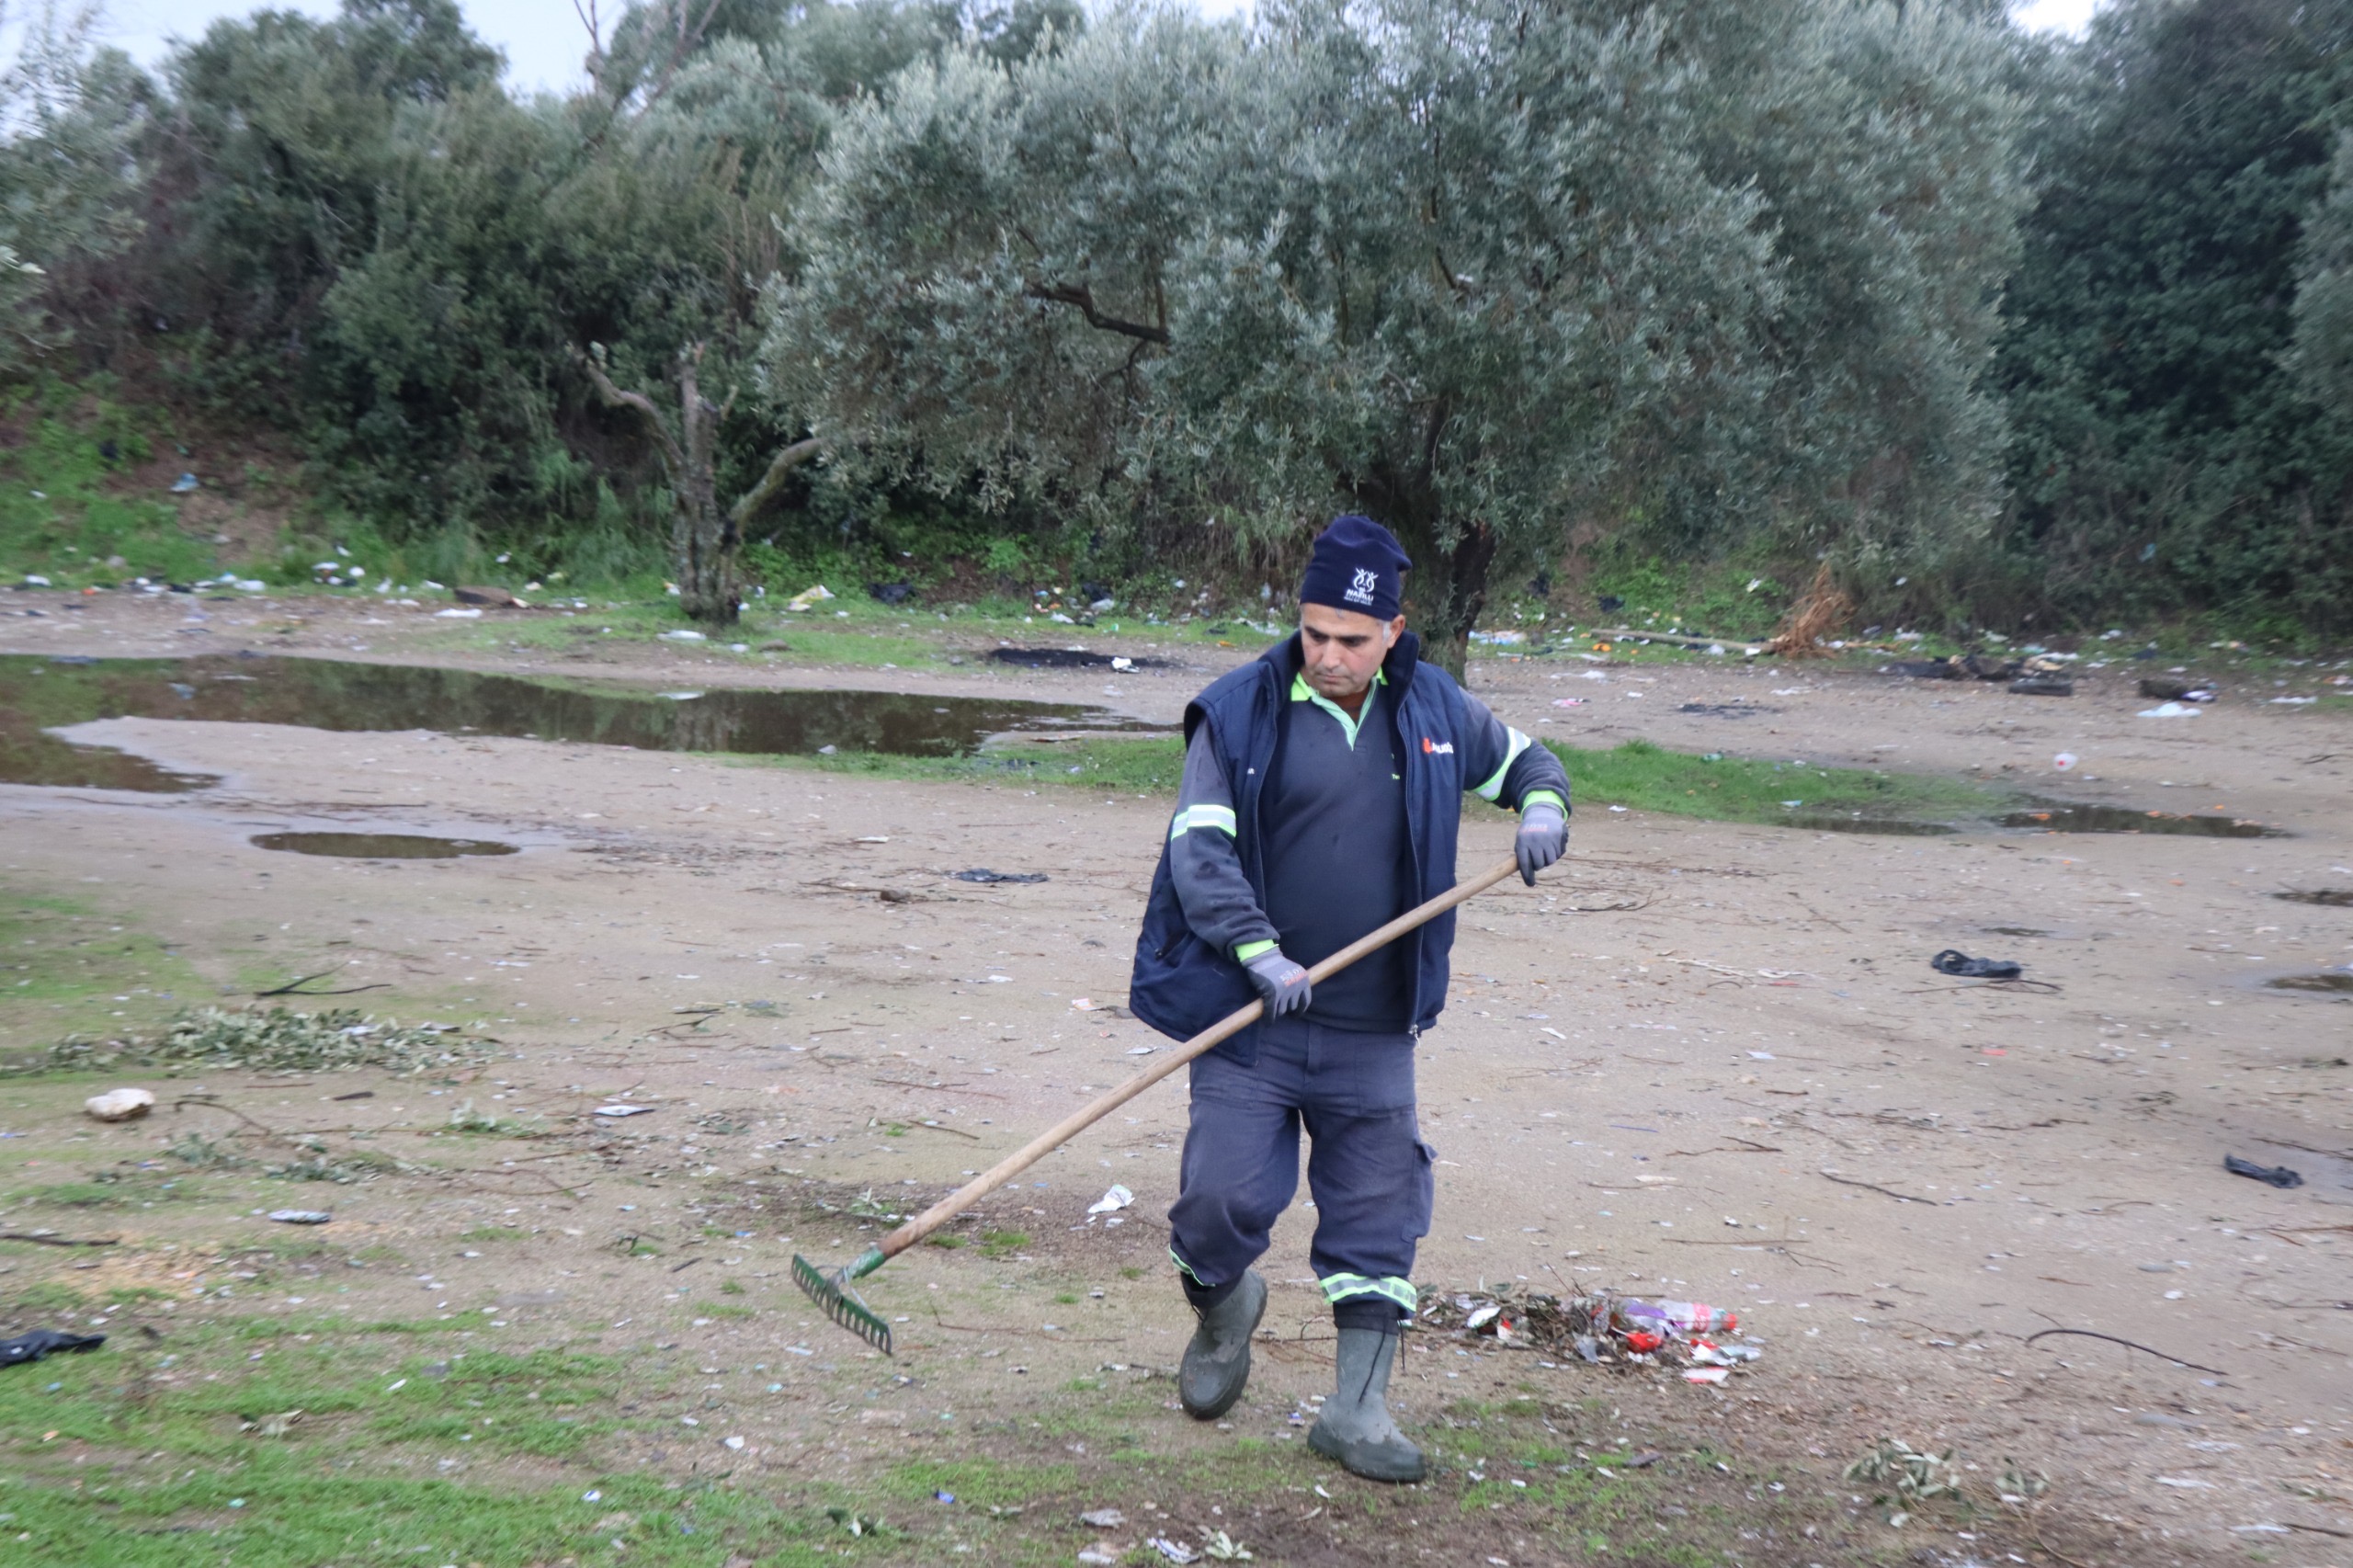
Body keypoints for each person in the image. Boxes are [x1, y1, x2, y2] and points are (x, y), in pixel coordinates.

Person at [1127, 515, 1570, 1483]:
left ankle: (1356, 1409)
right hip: (1251, 1022)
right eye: (1315, 631)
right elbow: (1196, 851)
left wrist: (1543, 805)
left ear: (1395, 633)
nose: (1328, 653)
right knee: (1216, 1203)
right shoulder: (1237, 711)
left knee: (1377, 1212)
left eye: (1352, 640)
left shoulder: (1434, 709)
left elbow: (1529, 761)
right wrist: (1259, 951)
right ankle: (1223, 1302)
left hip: (1375, 1026)